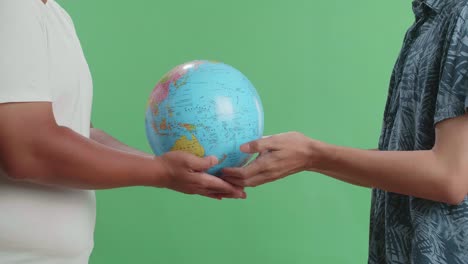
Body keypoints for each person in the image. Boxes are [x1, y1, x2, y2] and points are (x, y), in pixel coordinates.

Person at [222, 0, 468, 263]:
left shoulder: (462, 17)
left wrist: (313, 156)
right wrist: (304, 160)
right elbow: (410, 161)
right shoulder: (429, 21)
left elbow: (448, 176)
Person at [0, 0, 245, 263]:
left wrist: (167, 166)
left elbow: (81, 132)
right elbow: (27, 147)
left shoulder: (55, 16)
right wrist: (161, 172)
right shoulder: (12, 6)